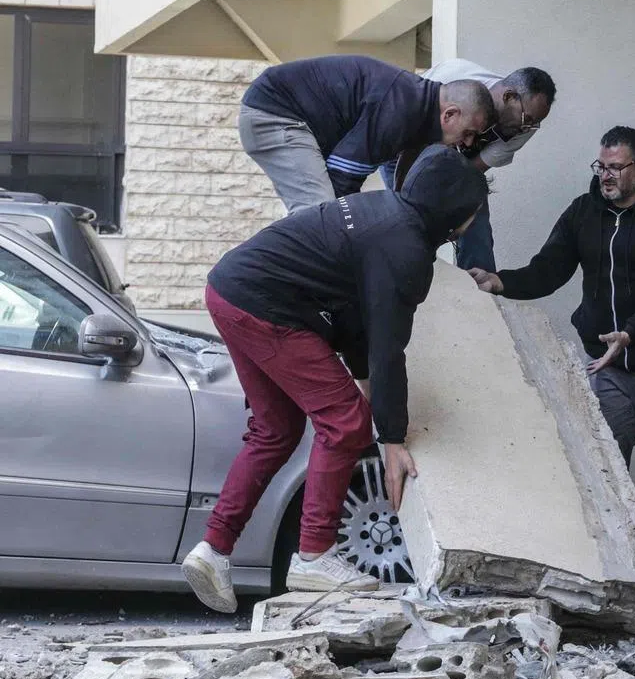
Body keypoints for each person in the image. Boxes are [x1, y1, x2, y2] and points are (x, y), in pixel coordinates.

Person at [181, 144, 489, 613]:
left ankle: (213, 550)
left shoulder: (381, 212)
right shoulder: (406, 251)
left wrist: (370, 393)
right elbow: (388, 348)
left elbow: (355, 320)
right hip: (267, 306)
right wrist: (391, 438)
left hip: (230, 289)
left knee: (276, 430)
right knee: (345, 423)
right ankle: (315, 555)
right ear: (456, 215)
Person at [468, 125, 635, 588]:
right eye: (601, 166)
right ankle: (613, 559)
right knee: (605, 463)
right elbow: (550, 267)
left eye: (616, 167)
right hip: (609, 367)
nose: (606, 175)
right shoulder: (585, 212)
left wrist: (632, 332)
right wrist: (502, 282)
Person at [238, 55, 493, 214]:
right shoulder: (400, 112)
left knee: (324, 216)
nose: (469, 143)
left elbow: (404, 172)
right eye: (469, 132)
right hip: (276, 114)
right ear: (449, 115)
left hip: (286, 114)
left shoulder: (419, 108)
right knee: (322, 214)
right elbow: (342, 181)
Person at [380, 61, 557, 272]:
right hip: (404, 146)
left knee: (474, 212)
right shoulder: (447, 83)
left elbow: (469, 173)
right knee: (411, 210)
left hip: (456, 160)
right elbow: (409, 147)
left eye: (534, 123)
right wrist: (403, 200)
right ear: (508, 97)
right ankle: (407, 268)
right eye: (526, 119)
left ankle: (480, 286)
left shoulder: (526, 126)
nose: (527, 128)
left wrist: (458, 214)